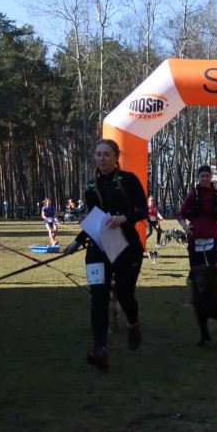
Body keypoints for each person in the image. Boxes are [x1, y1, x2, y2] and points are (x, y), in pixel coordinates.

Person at [64, 139, 147, 368]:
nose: (102, 158)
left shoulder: (128, 180)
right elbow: (94, 219)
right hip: (98, 248)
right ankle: (99, 348)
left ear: (116, 156)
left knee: (125, 294)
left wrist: (124, 218)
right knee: (98, 297)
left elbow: (143, 210)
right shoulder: (92, 187)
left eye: (106, 154)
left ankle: (132, 323)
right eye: (98, 154)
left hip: (127, 247)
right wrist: (77, 241)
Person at [178, 165, 217, 279]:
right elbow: (181, 214)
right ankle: (197, 291)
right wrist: (185, 226)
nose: (205, 178)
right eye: (202, 176)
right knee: (196, 269)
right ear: (198, 178)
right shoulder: (192, 194)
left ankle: (216, 291)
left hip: (212, 235)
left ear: (211, 177)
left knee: (215, 268)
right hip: (194, 235)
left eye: (207, 176)